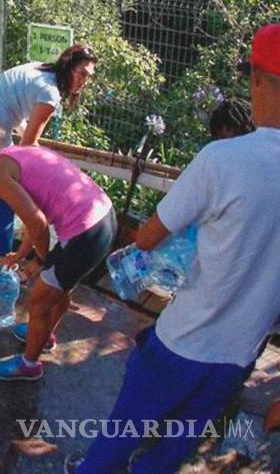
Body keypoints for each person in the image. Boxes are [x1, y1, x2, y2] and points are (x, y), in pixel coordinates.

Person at [68, 23, 280, 473]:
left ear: (258, 80)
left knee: (118, 439)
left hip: (184, 340)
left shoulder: (224, 159)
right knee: (173, 450)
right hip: (238, 354)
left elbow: (148, 237)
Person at [0, 122, 116, 383]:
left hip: (84, 232)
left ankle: (29, 365)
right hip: (104, 217)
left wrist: (42, 260)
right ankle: (44, 336)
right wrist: (21, 255)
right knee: (60, 287)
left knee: (39, 300)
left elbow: (38, 223)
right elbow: (34, 216)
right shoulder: (19, 152)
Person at [0, 45, 98, 268]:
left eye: (89, 77)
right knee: (8, 200)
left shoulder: (39, 70)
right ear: (68, 67)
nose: (84, 81)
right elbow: (27, 146)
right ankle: (3, 263)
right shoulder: (49, 93)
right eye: (81, 73)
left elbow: (15, 115)